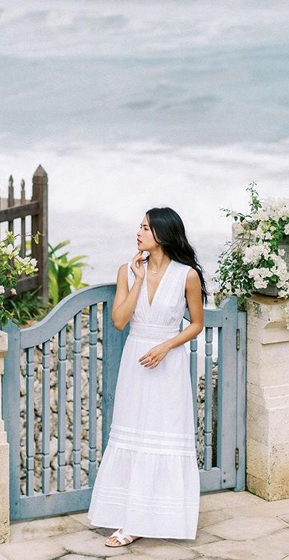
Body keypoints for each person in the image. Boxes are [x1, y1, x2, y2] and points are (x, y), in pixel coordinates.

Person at [87, 207, 207, 547]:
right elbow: (119, 321)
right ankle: (130, 518)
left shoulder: (187, 276)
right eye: (139, 226)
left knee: (164, 435)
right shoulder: (127, 271)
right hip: (136, 362)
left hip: (168, 365)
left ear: (162, 235)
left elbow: (196, 324)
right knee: (133, 434)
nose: (138, 232)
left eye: (145, 228)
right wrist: (138, 281)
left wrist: (166, 346)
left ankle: (158, 516)